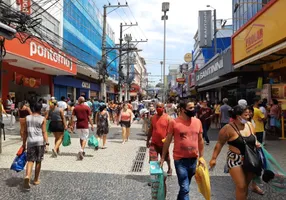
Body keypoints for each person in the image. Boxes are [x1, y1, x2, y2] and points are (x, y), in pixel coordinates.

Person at [209, 105, 262, 200]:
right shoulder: (227, 128)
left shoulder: (250, 125)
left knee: (245, 186)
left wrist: (256, 143)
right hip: (234, 159)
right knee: (241, 186)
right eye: (246, 115)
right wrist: (213, 158)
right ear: (238, 116)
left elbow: (254, 138)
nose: (248, 116)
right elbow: (220, 143)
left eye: (249, 114)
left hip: (250, 159)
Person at [160, 101, 204, 200]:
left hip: (193, 159)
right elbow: (168, 140)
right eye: (191, 108)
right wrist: (163, 157)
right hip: (180, 160)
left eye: (194, 107)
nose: (194, 110)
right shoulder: (174, 122)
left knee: (185, 187)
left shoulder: (198, 122)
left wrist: (201, 157)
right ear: (183, 110)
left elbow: (201, 140)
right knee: (185, 187)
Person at [22, 103, 49, 189]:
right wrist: (47, 142)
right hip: (39, 142)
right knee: (38, 161)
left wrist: (23, 143)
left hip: (30, 142)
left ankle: (27, 176)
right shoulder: (42, 119)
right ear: (40, 109)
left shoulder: (27, 118)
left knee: (30, 160)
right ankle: (36, 179)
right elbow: (44, 132)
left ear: (33, 108)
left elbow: (25, 132)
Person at [146, 102, 172, 175]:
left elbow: (170, 132)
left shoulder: (168, 118)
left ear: (163, 108)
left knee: (166, 158)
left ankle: (169, 168)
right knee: (153, 159)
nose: (158, 108)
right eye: (157, 107)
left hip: (164, 143)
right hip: (154, 143)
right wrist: (148, 140)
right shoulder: (153, 117)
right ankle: (156, 175)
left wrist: (168, 140)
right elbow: (150, 130)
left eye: (160, 107)